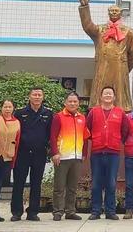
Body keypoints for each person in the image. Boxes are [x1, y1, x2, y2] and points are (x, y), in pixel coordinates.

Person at [79, 0, 133, 111]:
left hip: (119, 69)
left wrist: (124, 67)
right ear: (108, 13)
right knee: (98, 102)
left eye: (116, 11)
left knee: (120, 102)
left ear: (121, 13)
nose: (114, 13)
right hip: (103, 67)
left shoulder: (129, 32)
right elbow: (87, 26)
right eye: (111, 11)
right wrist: (85, 7)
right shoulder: (99, 30)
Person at [86, 86, 129, 220]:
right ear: (101, 96)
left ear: (114, 97)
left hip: (113, 152)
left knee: (111, 183)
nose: (108, 95)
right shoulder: (94, 111)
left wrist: (117, 140)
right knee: (96, 183)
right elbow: (88, 129)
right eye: (106, 93)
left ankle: (110, 211)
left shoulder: (120, 112)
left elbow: (125, 130)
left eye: (110, 94)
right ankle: (96, 211)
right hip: (97, 152)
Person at [11, 87, 53, 222]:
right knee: (19, 183)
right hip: (22, 153)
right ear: (29, 97)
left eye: (39, 95)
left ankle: (33, 212)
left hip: (39, 154)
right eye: (34, 94)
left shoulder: (48, 114)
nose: (36, 97)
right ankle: (17, 211)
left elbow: (50, 134)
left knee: (36, 183)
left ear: (43, 97)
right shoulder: (20, 113)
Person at [50, 91, 90, 221]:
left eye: (75, 101)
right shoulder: (58, 117)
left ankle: (70, 211)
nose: (72, 103)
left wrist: (84, 154)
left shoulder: (82, 118)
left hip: (76, 157)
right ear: (65, 103)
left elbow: (85, 138)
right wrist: (55, 153)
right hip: (62, 157)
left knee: (73, 186)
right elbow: (53, 136)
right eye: (70, 101)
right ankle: (58, 211)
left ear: (78, 103)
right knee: (59, 186)